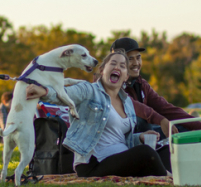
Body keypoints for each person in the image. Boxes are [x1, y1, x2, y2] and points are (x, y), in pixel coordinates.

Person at [25, 50, 171, 178]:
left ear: (126, 76)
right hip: (94, 164)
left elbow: (118, 138)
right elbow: (66, 95)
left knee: (165, 150)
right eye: (113, 63)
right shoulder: (89, 91)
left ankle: (175, 177)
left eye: (122, 66)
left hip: (119, 158)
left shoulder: (127, 103)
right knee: (146, 153)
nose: (117, 67)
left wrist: (139, 137)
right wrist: (45, 92)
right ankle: (170, 181)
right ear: (102, 70)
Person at [110, 37, 201, 138]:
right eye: (130, 59)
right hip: (122, 141)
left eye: (138, 58)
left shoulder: (141, 84)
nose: (136, 63)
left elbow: (165, 108)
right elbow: (132, 106)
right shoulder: (110, 85)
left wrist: (199, 125)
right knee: (141, 122)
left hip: (147, 135)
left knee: (180, 127)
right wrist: (160, 120)